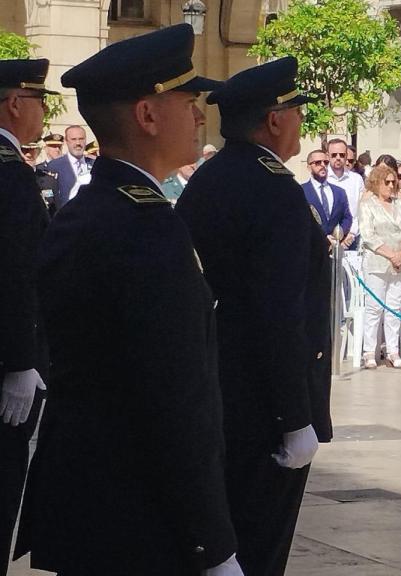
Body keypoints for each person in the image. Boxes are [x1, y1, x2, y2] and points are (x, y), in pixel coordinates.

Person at [14, 27, 242, 576]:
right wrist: (213, 543)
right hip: (146, 519)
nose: (199, 116)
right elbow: (174, 401)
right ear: (147, 114)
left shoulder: (84, 213)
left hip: (87, 502)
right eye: (188, 102)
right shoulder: (148, 230)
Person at [176, 56, 331, 576]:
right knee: (259, 544)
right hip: (263, 406)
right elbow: (279, 312)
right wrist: (295, 418)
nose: (300, 124)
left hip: (220, 386)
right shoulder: (274, 189)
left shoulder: (213, 177)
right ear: (274, 119)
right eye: (296, 113)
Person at [0, 58, 53, 576]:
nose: (42, 113)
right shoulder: (12, 174)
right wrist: (19, 360)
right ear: (15, 104)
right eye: (38, 101)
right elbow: (14, 270)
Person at [359, 164, 401, 369]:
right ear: (376, 183)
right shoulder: (368, 204)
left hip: (400, 263)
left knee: (394, 307)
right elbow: (368, 235)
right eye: (387, 182)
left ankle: (393, 350)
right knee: (374, 308)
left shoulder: (399, 203)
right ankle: (369, 352)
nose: (391, 186)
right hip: (377, 263)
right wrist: (391, 255)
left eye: (394, 182)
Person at [302, 148, 353, 242]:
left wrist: (339, 233)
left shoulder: (339, 192)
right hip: (311, 247)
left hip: (335, 247)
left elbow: (347, 217)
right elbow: (299, 222)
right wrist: (322, 238)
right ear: (309, 167)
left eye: (325, 162)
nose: (322, 165)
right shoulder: (301, 191)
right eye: (317, 162)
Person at [326, 138, 363, 250]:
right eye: (334, 155)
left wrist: (351, 234)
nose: (338, 158)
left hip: (351, 239)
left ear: (347, 156)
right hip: (326, 240)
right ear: (327, 156)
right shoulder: (321, 178)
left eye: (342, 155)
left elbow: (360, 211)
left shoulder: (356, 180)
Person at [44, 124, 92, 210]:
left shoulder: (95, 165)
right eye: (73, 139)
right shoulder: (54, 166)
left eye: (81, 139)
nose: (78, 143)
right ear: (66, 141)